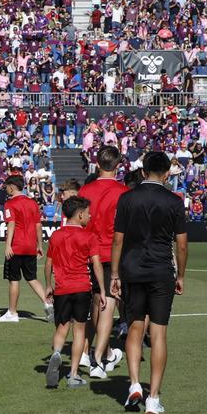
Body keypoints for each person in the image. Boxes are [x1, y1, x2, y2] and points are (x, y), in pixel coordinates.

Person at [110, 151, 188, 414]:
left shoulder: (127, 198)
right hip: (161, 271)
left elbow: (117, 239)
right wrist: (180, 276)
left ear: (143, 172)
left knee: (134, 328)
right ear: (167, 174)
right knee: (158, 334)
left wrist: (114, 275)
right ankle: (153, 398)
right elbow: (182, 244)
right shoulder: (174, 201)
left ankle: (134, 383)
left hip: (132, 270)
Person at [76, 146, 127, 377]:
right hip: (112, 254)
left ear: (97, 164)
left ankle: (104, 354)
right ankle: (98, 358)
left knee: (97, 303)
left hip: (89, 251)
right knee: (107, 305)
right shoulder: (123, 191)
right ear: (118, 166)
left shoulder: (86, 190)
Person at [43, 196, 102, 389]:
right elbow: (96, 264)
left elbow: (48, 263)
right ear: (80, 214)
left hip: (62, 288)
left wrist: (48, 285)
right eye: (88, 213)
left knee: (61, 327)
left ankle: (57, 353)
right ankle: (73, 374)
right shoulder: (89, 236)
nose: (90, 216)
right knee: (79, 331)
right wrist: (100, 289)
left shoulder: (56, 235)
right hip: (82, 287)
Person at [0, 175, 53, 323]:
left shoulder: (10, 203)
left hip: (16, 247)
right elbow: (38, 225)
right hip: (30, 247)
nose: (5, 188)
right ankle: (48, 304)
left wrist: (8, 245)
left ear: (12, 187)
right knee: (32, 278)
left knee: (14, 280)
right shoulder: (32, 203)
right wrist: (40, 245)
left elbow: (11, 224)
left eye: (7, 186)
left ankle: (12, 312)